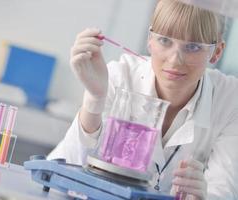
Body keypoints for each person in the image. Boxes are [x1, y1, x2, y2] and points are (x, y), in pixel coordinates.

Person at [48, 0, 238, 199]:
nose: (174, 60)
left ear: (216, 52)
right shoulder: (119, 75)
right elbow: (68, 172)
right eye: (165, 40)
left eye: (192, 46)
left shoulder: (231, 99)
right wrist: (95, 99)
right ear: (150, 40)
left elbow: (223, 190)